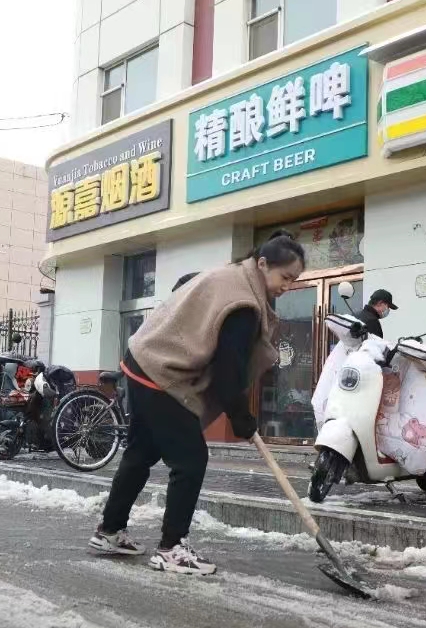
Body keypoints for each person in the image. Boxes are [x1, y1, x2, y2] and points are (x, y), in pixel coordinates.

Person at [88, 230, 306, 574]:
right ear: (263, 264)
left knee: (141, 453)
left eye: (294, 280)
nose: (287, 285)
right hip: (161, 370)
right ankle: (171, 548)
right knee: (190, 459)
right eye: (285, 277)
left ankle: (110, 531)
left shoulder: (235, 277)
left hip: (142, 360)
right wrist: (241, 417)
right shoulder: (243, 302)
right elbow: (227, 369)